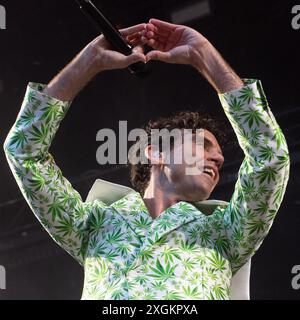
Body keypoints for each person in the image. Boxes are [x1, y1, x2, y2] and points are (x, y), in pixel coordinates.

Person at [3, 18, 290, 300]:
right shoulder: (91, 225)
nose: (217, 158)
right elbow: (24, 152)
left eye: (218, 153)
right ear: (156, 151)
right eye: (203, 145)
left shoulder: (227, 231)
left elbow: (270, 157)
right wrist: (88, 62)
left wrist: (204, 55)